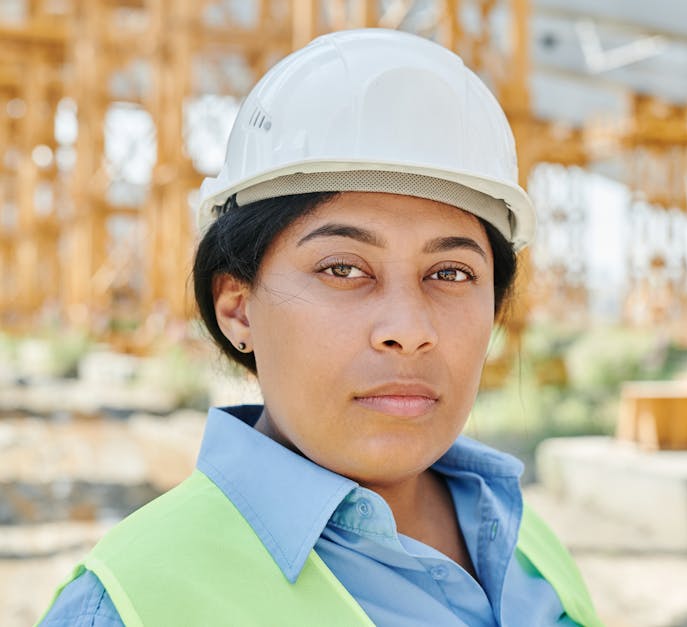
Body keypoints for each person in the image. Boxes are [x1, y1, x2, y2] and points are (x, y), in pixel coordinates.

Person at [38, 28, 602, 626]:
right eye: (343, 268)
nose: (409, 330)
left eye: (451, 272)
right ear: (237, 307)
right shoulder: (130, 607)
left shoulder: (524, 542)